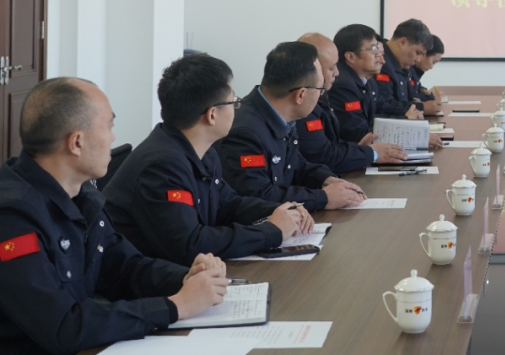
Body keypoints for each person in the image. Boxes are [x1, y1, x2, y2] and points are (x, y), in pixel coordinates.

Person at [0, 77, 228, 354]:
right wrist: (176, 306)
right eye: (108, 126)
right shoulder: (12, 217)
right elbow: (62, 326)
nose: (113, 137)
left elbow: (125, 269)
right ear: (76, 143)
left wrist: (188, 278)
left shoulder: (82, 195)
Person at [105, 54, 311, 265]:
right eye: (233, 102)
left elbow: (228, 205)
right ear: (212, 115)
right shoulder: (162, 166)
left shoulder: (202, 151)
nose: (237, 108)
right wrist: (272, 231)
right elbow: (191, 245)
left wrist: (281, 211)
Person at [217, 41, 366, 212]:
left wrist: (326, 179)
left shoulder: (283, 115)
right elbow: (258, 195)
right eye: (320, 90)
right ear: (301, 95)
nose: (320, 96)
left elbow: (295, 165)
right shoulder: (246, 133)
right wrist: (323, 198)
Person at [295, 33, 408, 173]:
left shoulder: (365, 82)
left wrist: (359, 150)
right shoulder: (335, 89)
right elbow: (323, 155)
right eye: (331, 68)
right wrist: (370, 153)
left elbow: (332, 144)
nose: (337, 73)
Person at [328, 25, 442, 151]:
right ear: (351, 57)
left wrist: (409, 117)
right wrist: (412, 132)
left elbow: (382, 107)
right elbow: (357, 131)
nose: (382, 60)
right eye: (373, 50)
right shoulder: (343, 85)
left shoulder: (367, 81)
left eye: (379, 51)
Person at [378, 18, 433, 118]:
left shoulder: (402, 63)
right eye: (417, 53)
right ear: (402, 42)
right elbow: (385, 105)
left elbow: (410, 96)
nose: (418, 59)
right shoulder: (380, 63)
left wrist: (424, 99)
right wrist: (421, 107)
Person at [411, 34, 444, 115]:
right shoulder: (408, 70)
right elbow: (413, 97)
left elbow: (416, 88)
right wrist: (432, 97)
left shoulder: (416, 71)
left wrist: (424, 91)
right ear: (424, 54)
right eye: (433, 62)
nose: (432, 67)